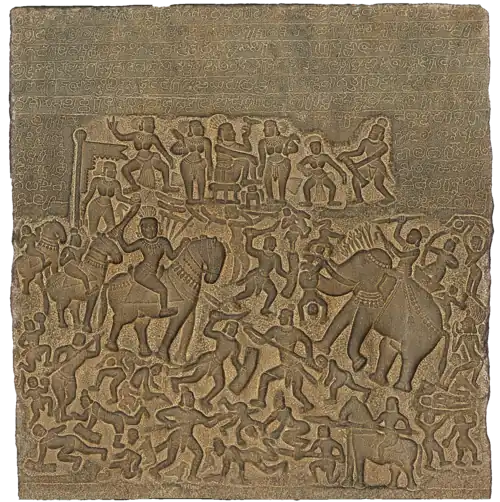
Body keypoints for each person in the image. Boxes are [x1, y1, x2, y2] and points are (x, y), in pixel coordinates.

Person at [116, 205, 189, 317]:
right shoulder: (142, 243)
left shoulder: (163, 242)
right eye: (146, 227)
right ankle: (164, 310)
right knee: (163, 290)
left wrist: (182, 246)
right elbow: (127, 248)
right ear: (141, 229)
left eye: (152, 227)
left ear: (158, 227)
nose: (150, 230)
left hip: (154, 271)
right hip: (142, 273)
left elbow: (172, 256)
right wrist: (119, 236)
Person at [245, 309, 316, 412]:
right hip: (284, 366)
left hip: (295, 367)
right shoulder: (275, 331)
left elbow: (307, 342)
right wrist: (249, 331)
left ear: (289, 318)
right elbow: (260, 341)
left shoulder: (296, 332)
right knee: (265, 377)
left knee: (296, 392)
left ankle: (308, 405)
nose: (279, 318)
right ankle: (261, 401)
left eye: (282, 316)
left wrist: (309, 357)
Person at [107, 116, 176, 193]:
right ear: (142, 125)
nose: (153, 127)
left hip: (151, 158)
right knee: (125, 169)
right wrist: (114, 131)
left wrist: (169, 159)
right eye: (150, 124)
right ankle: (134, 186)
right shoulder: (135, 135)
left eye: (153, 124)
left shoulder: (153, 137)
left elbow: (162, 150)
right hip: (139, 159)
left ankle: (166, 186)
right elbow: (122, 137)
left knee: (164, 167)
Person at [337, 118, 394, 206]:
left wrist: (358, 164)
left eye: (375, 132)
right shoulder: (365, 142)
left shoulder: (383, 146)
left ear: (380, 135)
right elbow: (358, 152)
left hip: (378, 167)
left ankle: (390, 198)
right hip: (368, 166)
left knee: (378, 185)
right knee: (355, 179)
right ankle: (359, 199)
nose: (371, 133)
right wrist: (346, 153)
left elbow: (373, 157)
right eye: (371, 130)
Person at [81, 161, 135, 235]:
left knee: (111, 227)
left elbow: (119, 197)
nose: (113, 173)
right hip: (95, 206)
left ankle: (102, 237)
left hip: (107, 207)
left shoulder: (116, 183)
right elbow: (89, 195)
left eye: (114, 171)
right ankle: (96, 239)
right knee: (92, 231)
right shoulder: (97, 181)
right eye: (110, 171)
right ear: (104, 171)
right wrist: (83, 206)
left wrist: (129, 201)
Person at [170, 120, 213, 203]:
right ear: (191, 129)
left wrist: (210, 171)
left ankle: (201, 198)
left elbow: (208, 157)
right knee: (188, 181)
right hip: (186, 163)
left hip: (200, 163)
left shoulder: (206, 141)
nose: (200, 128)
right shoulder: (185, 140)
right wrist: (183, 150)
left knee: (201, 181)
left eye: (200, 126)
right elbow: (173, 149)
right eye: (197, 127)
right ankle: (190, 199)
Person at [258, 120, 300, 203]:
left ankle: (282, 198)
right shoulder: (262, 142)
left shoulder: (284, 139)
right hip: (269, 162)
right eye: (265, 127)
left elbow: (295, 148)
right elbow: (262, 157)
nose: (265, 130)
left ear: (274, 128)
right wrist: (261, 166)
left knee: (282, 181)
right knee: (267, 179)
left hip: (283, 162)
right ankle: (270, 198)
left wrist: (287, 151)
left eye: (268, 127)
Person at [297, 137, 347, 207]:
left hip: (323, 176)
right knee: (306, 187)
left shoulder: (324, 157)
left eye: (318, 145)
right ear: (310, 148)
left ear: (321, 147)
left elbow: (335, 165)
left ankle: (331, 201)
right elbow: (299, 165)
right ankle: (308, 202)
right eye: (313, 146)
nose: (316, 148)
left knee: (332, 187)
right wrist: (304, 170)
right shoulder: (309, 158)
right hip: (314, 177)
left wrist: (342, 172)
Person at [59, 228, 93, 295]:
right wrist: (68, 258)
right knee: (84, 276)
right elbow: (61, 263)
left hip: (77, 267)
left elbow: (87, 242)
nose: (78, 240)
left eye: (79, 238)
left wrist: (84, 233)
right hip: (69, 268)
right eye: (75, 238)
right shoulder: (67, 249)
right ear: (72, 240)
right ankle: (88, 291)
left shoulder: (80, 250)